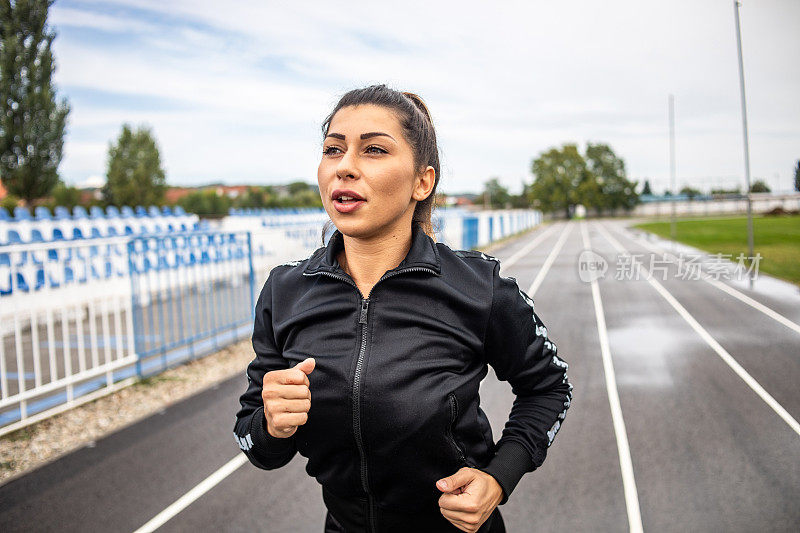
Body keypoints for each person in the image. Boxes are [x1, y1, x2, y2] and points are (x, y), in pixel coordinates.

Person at [233, 84, 573, 533]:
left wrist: (497, 477)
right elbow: (256, 446)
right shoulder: (285, 290)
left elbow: (550, 388)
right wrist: (272, 425)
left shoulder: (479, 287)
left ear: (422, 181)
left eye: (373, 149)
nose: (345, 167)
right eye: (333, 150)